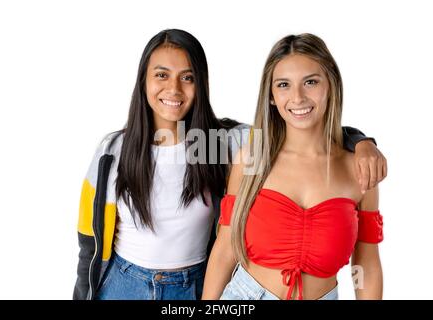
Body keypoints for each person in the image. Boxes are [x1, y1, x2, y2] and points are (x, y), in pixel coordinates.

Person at [73, 29, 386, 300]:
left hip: (191, 285)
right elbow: (89, 240)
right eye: (161, 75)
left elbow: (303, 128)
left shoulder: (223, 144)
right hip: (124, 284)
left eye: (188, 77)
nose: (173, 89)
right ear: (143, 80)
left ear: (202, 84)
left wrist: (361, 142)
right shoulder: (112, 151)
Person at [202, 33, 384, 300]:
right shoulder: (251, 160)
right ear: (272, 96)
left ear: (330, 86)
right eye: (284, 85)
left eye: (310, 82)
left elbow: (366, 262)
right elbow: (225, 249)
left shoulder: (360, 171)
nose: (297, 97)